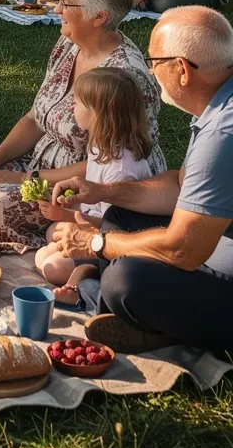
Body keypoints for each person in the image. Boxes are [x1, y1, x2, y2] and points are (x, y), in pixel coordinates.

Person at [0, 0, 165, 251]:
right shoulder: (69, 44)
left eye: (66, 3)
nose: (57, 9)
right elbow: (35, 118)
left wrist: (21, 178)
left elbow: (112, 164)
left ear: (99, 16)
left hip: (85, 191)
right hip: (38, 164)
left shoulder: (125, 77)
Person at [52, 7, 233, 355]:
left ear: (182, 70)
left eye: (154, 61)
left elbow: (183, 250)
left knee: (125, 280)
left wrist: (98, 244)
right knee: (118, 215)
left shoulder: (222, 134)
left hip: (215, 269)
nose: (150, 71)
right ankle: (143, 317)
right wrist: (101, 191)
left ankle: (154, 323)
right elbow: (180, 186)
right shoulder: (218, 105)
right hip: (210, 253)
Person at [34, 66, 154, 305]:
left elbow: (115, 226)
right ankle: (83, 270)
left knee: (51, 266)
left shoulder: (122, 169)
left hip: (113, 242)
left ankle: (85, 279)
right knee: (49, 239)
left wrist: (65, 215)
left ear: (98, 113)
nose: (72, 107)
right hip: (91, 228)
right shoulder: (100, 145)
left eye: (77, 103)